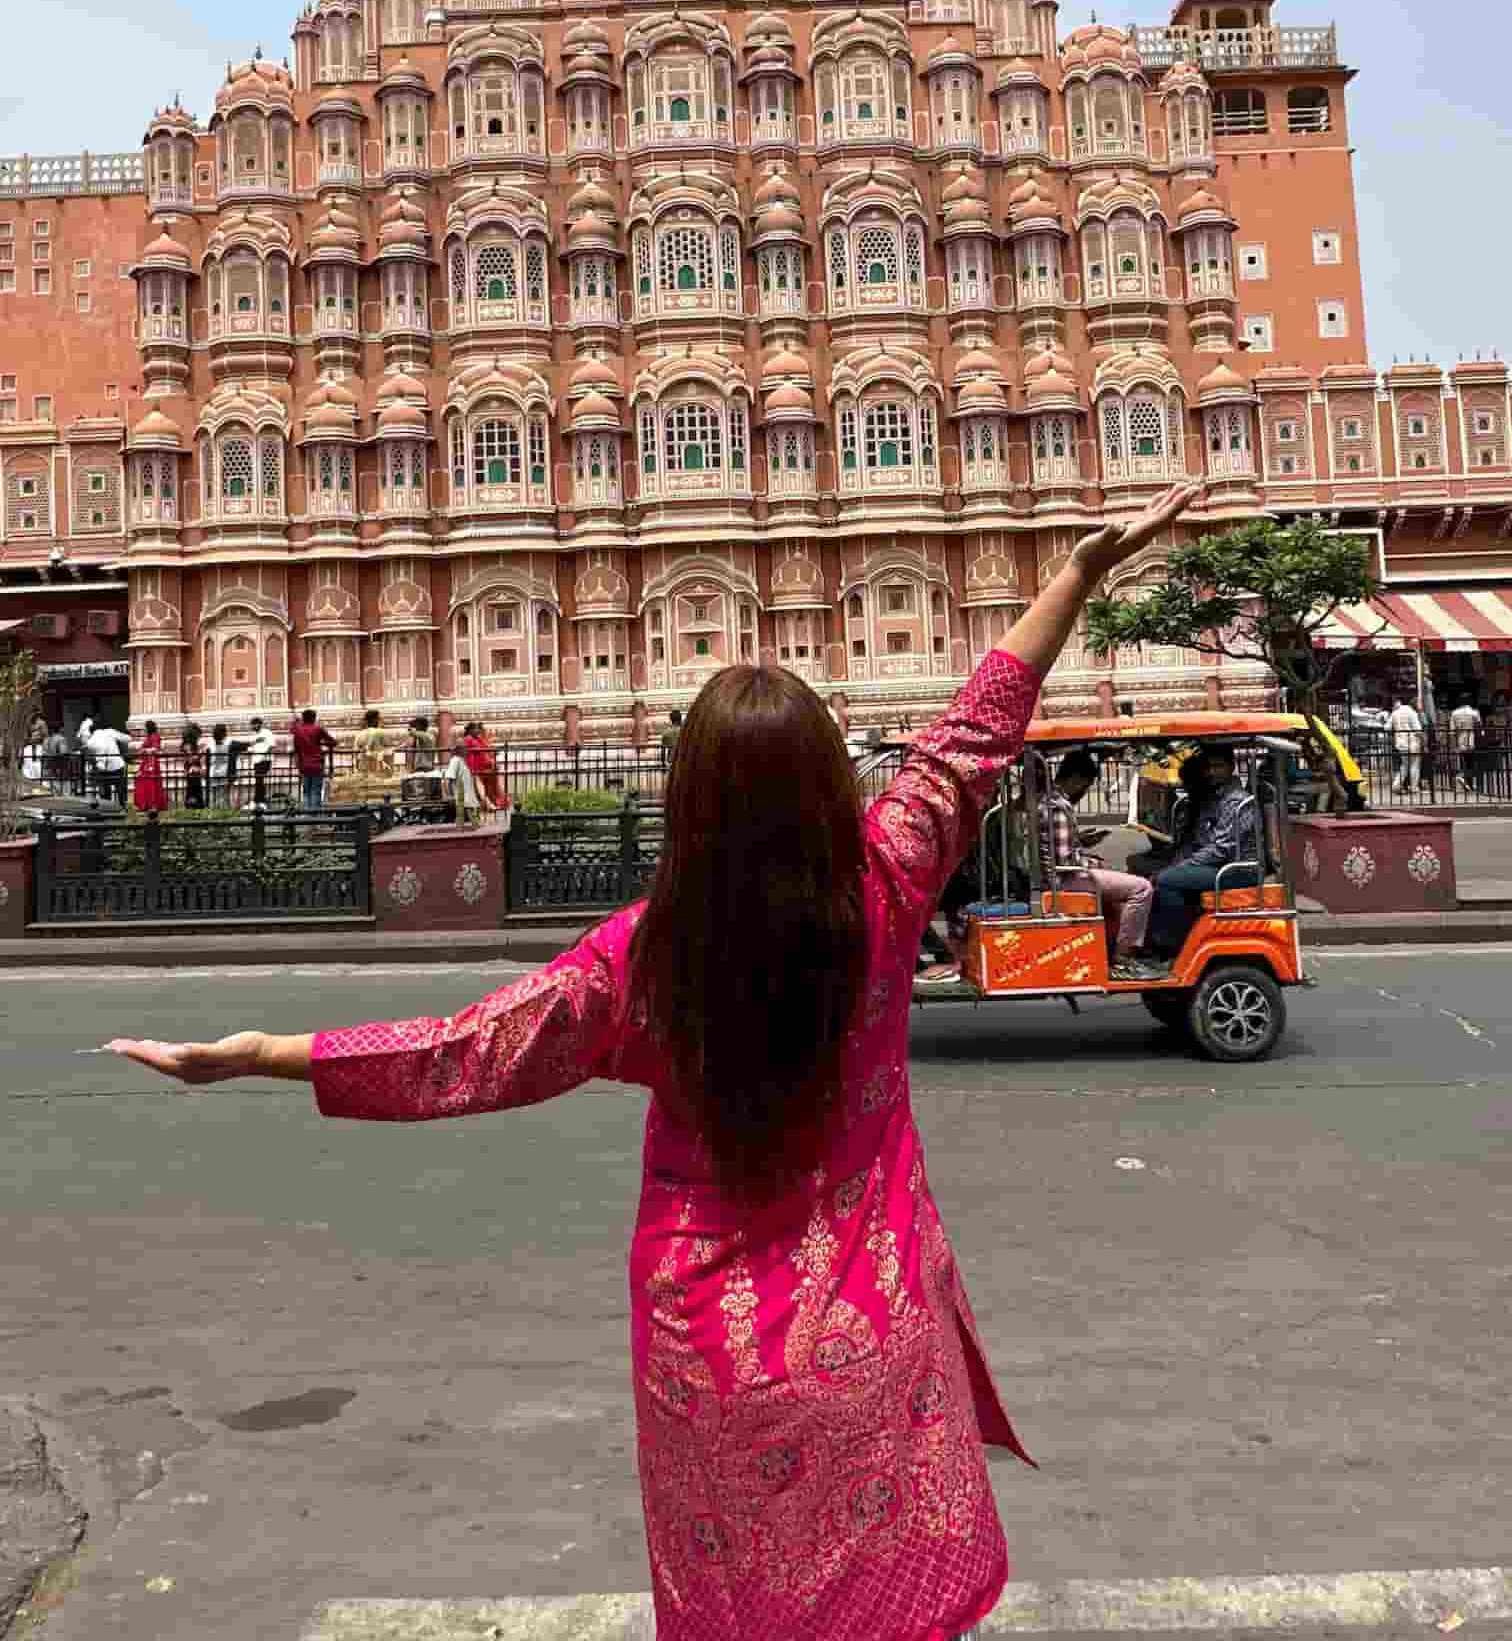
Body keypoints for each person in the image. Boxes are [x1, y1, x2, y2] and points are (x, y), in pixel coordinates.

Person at [106, 479, 1199, 1641]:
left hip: (708, 1353)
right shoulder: (882, 888)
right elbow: (974, 731)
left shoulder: (642, 962)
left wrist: (261, 1053)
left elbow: (461, 1053)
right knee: (890, 1605)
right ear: (832, 784)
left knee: (739, 1608)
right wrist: (1078, 571)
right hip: (871, 1332)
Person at [1039, 748, 1157, 975]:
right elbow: (1065, 860)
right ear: (1076, 779)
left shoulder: (1052, 801)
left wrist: (1084, 844)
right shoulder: (1058, 807)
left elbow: (1061, 848)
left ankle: (1114, 946)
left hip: (1061, 875)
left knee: (1122, 881)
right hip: (1065, 879)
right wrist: (1092, 862)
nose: (1084, 791)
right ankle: (1124, 957)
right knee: (1142, 888)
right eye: (1085, 785)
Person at [1143, 745, 1260, 961]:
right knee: (1157, 874)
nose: (1213, 772)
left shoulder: (1235, 801)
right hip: (1218, 864)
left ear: (1231, 767)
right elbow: (1199, 840)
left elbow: (1221, 849)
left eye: (1218, 766)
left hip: (1237, 869)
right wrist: (1180, 862)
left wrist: (1181, 867)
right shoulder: (1213, 797)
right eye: (1210, 767)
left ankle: (1171, 948)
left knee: (1168, 880)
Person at [290, 708, 336, 811]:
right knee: (316, 790)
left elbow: (296, 748)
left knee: (306, 790)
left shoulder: (297, 731)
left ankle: (307, 815)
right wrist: (321, 744)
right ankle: (315, 816)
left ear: (303, 718)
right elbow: (333, 742)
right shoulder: (318, 728)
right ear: (314, 718)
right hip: (317, 763)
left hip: (303, 764)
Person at [86, 717, 130, 808]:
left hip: (103, 769)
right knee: (121, 790)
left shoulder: (90, 741)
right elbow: (126, 739)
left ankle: (108, 809)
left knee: (105, 792)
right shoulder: (110, 732)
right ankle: (123, 807)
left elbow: (90, 755)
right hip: (117, 765)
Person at [1389, 693, 1424, 794]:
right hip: (1412, 743)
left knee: (1404, 766)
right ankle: (1414, 787)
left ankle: (1396, 785)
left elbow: (1387, 727)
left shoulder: (1395, 713)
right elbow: (1418, 730)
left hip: (1400, 743)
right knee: (1415, 765)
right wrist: (1424, 741)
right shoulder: (1412, 713)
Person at [443, 735, 481, 824]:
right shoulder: (455, 761)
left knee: (473, 825)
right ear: (458, 750)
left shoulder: (462, 762)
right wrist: (450, 796)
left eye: (465, 747)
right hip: (463, 804)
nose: (466, 749)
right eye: (463, 747)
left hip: (469, 803)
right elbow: (447, 780)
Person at [132, 720, 168, 813]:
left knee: (150, 782)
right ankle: (145, 803)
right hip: (146, 762)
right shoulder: (149, 737)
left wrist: (144, 750)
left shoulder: (155, 736)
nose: (144, 730)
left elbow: (156, 749)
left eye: (145, 728)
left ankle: (152, 804)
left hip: (151, 762)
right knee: (142, 781)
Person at [1450, 696, 1482, 794]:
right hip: (1471, 739)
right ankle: (1469, 783)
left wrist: (1453, 745)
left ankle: (1462, 780)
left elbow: (1452, 731)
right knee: (1470, 763)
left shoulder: (1454, 713)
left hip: (1460, 739)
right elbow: (1479, 726)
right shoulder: (1474, 712)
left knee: (1461, 762)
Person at [243, 717, 274, 808]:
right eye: (252, 725)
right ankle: (260, 799)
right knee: (258, 779)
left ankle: (259, 799)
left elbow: (271, 745)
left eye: (254, 724)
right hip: (256, 760)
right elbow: (250, 747)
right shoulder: (252, 735)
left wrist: (264, 755)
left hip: (265, 760)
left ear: (259, 724)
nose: (253, 726)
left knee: (259, 779)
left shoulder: (267, 733)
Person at [207, 723, 233, 808]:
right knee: (224, 798)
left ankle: (214, 815)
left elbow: (207, 761)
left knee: (214, 798)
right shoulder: (227, 747)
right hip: (224, 773)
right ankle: (225, 815)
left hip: (213, 773)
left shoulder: (210, 747)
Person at [181, 725, 207, 810]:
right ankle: (193, 806)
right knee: (192, 790)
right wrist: (200, 753)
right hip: (192, 771)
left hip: (195, 772)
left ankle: (195, 806)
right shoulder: (187, 746)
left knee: (195, 790)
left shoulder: (192, 745)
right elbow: (190, 759)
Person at [19, 717, 47, 784]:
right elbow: (20, 761)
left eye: (37, 736)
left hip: (39, 772)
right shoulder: (25, 749)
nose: (35, 738)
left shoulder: (42, 748)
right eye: (33, 736)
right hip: (27, 771)